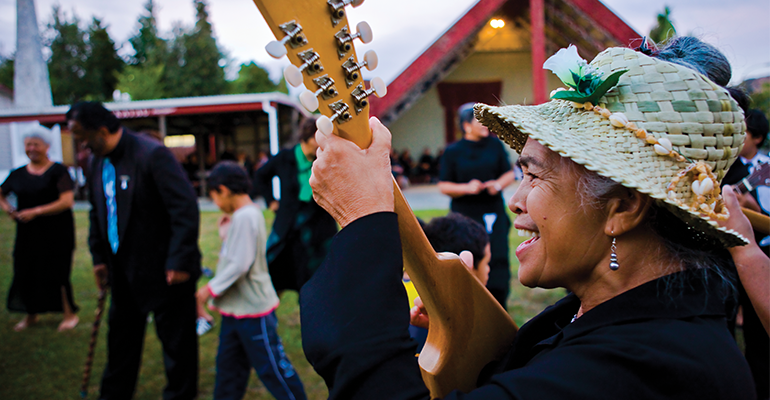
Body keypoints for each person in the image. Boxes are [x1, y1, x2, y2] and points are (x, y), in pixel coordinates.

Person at [299, 37, 756, 399]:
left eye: (534, 176)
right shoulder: (637, 321)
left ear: (623, 208)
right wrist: (464, 328)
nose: (515, 201)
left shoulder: (648, 369)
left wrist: (362, 220)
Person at [67, 101, 201, 400]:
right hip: (122, 272)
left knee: (177, 351)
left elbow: (185, 209)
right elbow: (96, 211)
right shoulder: (97, 162)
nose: (81, 144)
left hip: (167, 272)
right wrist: (99, 257)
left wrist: (179, 260)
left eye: (82, 136)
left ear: (101, 130)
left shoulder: (152, 154)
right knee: (120, 346)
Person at [196, 161, 308, 400]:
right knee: (228, 372)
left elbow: (240, 263)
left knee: (273, 369)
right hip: (234, 311)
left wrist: (208, 290)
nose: (215, 203)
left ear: (224, 190)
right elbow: (237, 252)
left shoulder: (247, 216)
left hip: (253, 313)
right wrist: (227, 233)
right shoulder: (242, 215)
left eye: (214, 196)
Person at [0, 126, 79, 332]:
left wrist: (36, 211)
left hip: (57, 232)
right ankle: (30, 314)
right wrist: (8, 208)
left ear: (46, 147)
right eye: (28, 145)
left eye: (36, 144)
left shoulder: (58, 172)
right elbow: (2, 192)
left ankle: (69, 314)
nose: (32, 148)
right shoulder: (17, 174)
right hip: (28, 233)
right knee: (26, 271)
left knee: (58, 272)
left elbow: (66, 201)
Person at [438, 102, 516, 309]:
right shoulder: (453, 151)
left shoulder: (495, 145)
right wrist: (466, 188)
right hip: (465, 215)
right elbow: (443, 185)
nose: (485, 125)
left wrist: (497, 185)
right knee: (467, 256)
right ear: (466, 125)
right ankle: (468, 305)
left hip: (493, 214)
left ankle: (499, 305)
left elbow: (509, 173)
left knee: (497, 257)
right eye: (479, 121)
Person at [255, 116, 337, 294]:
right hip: (289, 226)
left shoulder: (326, 159)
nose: (322, 144)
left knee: (314, 276)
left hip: (317, 227)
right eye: (318, 140)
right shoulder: (285, 158)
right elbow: (261, 176)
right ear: (306, 139)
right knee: (279, 269)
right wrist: (271, 201)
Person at [721, 108, 770, 399]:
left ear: (758, 138)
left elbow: (764, 221)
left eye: (744, 132)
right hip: (726, 259)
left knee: (758, 334)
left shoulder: (764, 168)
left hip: (758, 252)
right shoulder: (728, 165)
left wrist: (750, 207)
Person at [405, 213, 491, 351]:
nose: (488, 270)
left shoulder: (400, 287)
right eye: (487, 263)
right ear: (468, 267)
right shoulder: (461, 313)